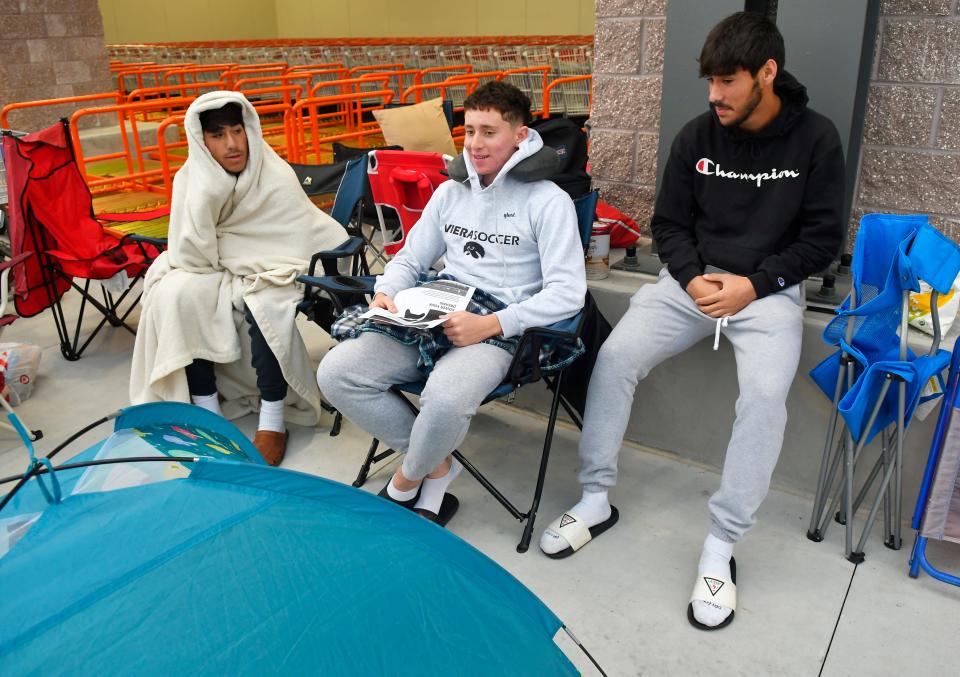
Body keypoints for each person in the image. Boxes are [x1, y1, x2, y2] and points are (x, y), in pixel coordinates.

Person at [539, 12, 844, 631]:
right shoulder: (697, 136)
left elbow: (823, 241)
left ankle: (721, 545)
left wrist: (754, 285)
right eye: (709, 80)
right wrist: (691, 277)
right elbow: (669, 226)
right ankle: (595, 498)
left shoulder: (815, 138)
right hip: (691, 283)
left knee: (763, 397)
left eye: (728, 80)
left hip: (769, 293)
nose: (714, 95)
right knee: (617, 358)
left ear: (767, 72)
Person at [317, 81, 586, 525]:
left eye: (489, 132)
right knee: (337, 373)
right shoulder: (450, 192)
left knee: (443, 399)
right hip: (436, 311)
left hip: (498, 330)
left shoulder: (547, 201)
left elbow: (568, 293)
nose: (475, 145)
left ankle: (406, 482)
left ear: (520, 136)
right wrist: (388, 291)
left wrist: (494, 324)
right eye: (469, 131)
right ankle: (436, 465)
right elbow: (411, 257)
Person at [130, 91, 349, 466]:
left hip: (274, 264)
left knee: (263, 303)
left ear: (250, 128)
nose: (232, 144)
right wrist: (210, 192)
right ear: (201, 141)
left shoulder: (272, 171)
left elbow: (297, 234)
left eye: (237, 130)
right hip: (215, 266)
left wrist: (236, 257)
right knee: (178, 297)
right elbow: (190, 253)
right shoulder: (192, 178)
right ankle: (208, 411)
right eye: (217, 136)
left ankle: (273, 419)